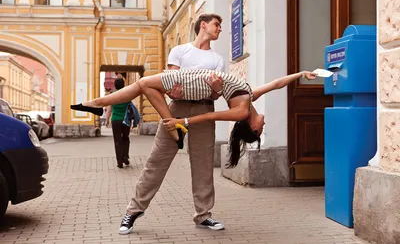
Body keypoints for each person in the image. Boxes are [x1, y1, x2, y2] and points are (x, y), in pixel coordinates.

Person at [72, 68, 317, 167]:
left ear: (252, 127)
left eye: (261, 129)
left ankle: (172, 128)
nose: (264, 124)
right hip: (195, 77)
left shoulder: (241, 111)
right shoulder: (250, 97)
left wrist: (185, 122)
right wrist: (302, 74)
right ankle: (97, 103)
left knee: (145, 84)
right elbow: (276, 84)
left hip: (193, 85)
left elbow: (211, 114)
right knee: (142, 86)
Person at [105, 78, 132, 168]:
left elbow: (109, 110)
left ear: (115, 86)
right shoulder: (127, 94)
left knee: (117, 141)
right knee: (125, 138)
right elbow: (131, 107)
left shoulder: (112, 95)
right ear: (123, 85)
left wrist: (107, 120)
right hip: (126, 120)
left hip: (115, 120)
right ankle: (125, 157)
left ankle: (119, 161)